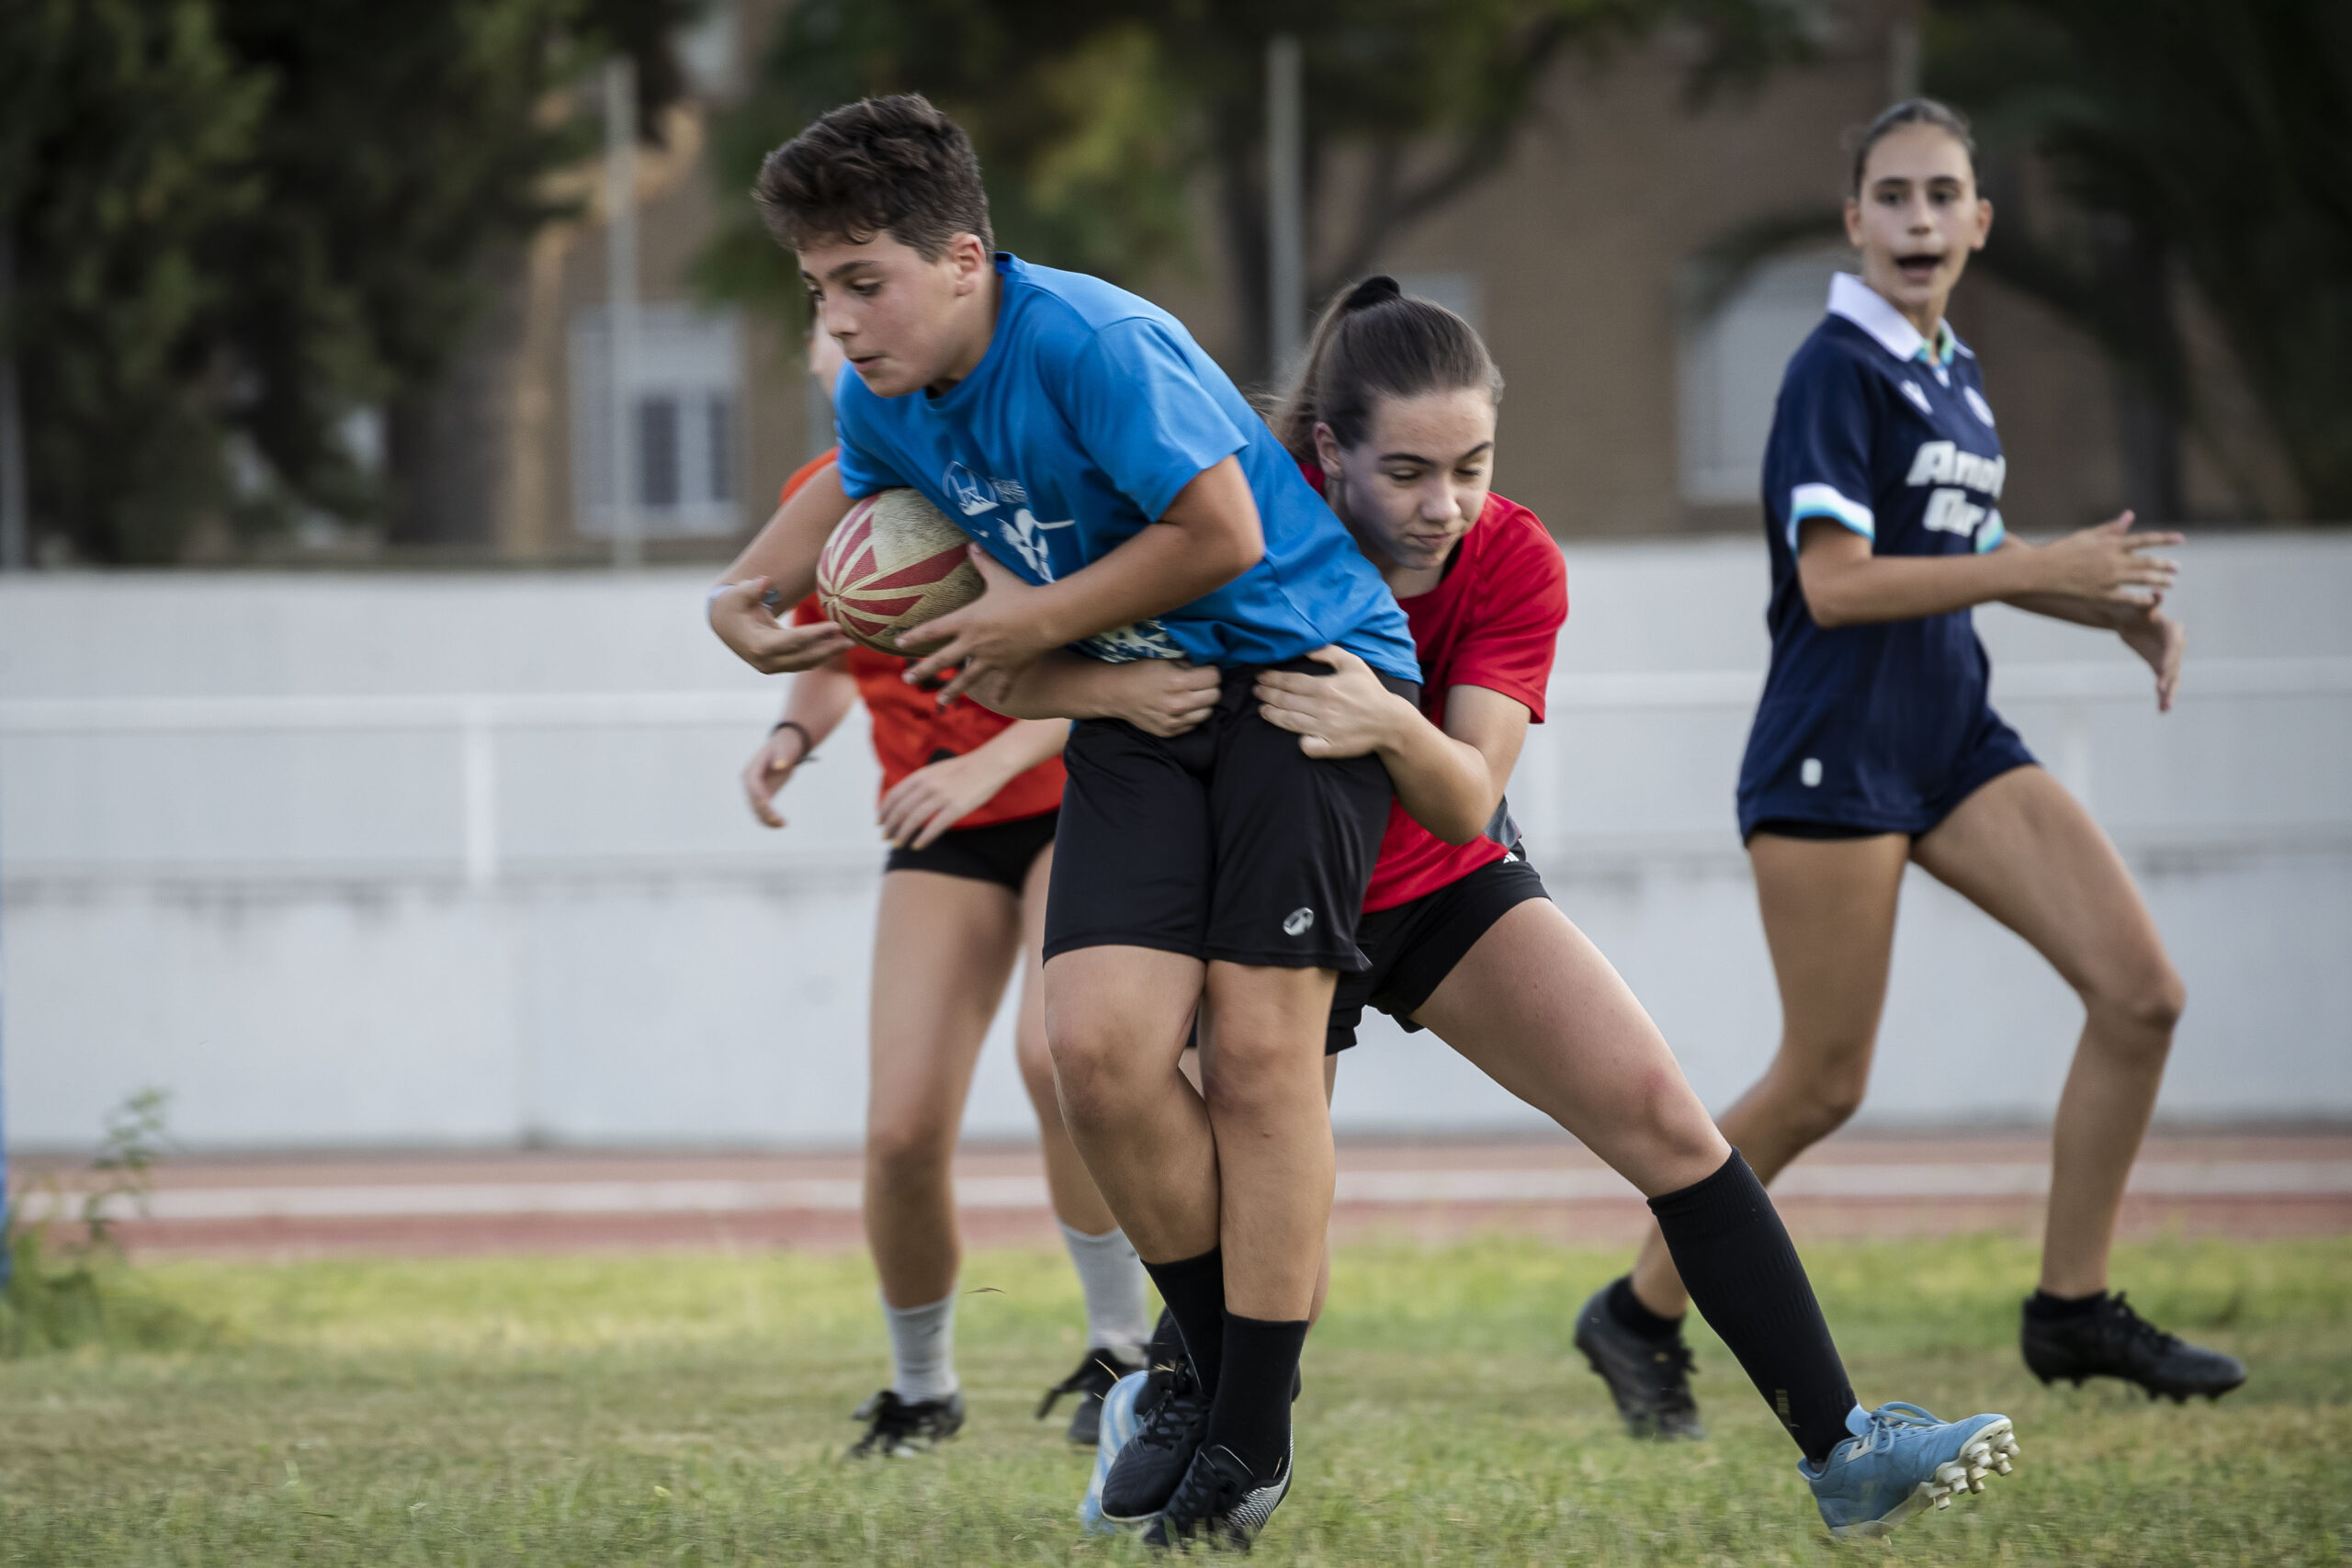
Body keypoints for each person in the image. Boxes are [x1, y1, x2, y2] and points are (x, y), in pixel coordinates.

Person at [1074, 276, 2023, 1541]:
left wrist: (1381, 718)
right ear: (1327, 453)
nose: (1444, 503)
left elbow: (1466, 794)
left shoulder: (1511, 556)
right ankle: (1189, 1405)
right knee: (1274, 1228)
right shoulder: (1246, 523)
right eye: (1406, 471)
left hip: (1438, 879)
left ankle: (1844, 1447)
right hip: (1270, 902)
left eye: (1470, 466)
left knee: (1665, 1118)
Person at [707, 94, 1424, 1549]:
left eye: (863, 282)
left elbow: (1221, 534)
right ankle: (1204, 1364)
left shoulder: (1091, 342)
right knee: (1094, 1055)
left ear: (964, 259)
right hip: (1137, 702)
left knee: (1260, 1058)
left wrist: (1029, 625)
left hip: (1299, 677)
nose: (837, 319)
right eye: (818, 287)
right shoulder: (882, 400)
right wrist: (737, 607)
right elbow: (795, 547)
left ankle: (1247, 1425)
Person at [1578, 98, 2242, 1441]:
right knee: (1825, 1080)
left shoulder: (1955, 373)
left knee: (2142, 994)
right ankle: (1638, 1313)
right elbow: (1836, 584)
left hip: (1952, 737)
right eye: (1894, 195)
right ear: (1854, 221)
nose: (1919, 218)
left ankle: (2071, 1307)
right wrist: (2041, 567)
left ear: (1980, 222)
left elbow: (1963, 546)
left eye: (1944, 195)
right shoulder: (1834, 368)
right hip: (1832, 748)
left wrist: (2103, 605)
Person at [736, 323, 1156, 1456]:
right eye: (827, 312)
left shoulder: (1012, 476)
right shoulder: (824, 496)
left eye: (868, 301)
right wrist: (790, 736)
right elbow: (832, 655)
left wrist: (986, 762)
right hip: (942, 825)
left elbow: (1113, 659)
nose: (849, 332)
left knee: (1055, 1059)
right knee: (901, 1129)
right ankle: (921, 1389)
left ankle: (1121, 1347)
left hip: (1071, 794)